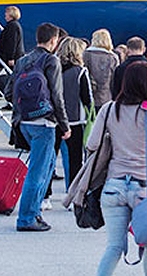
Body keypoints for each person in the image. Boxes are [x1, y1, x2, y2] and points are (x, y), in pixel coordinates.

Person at [89, 62, 147, 276]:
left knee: (114, 246)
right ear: (144, 83)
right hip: (145, 187)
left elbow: (92, 144)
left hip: (114, 186)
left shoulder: (109, 109)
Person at [5, 22, 71, 232]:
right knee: (38, 171)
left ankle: (35, 212)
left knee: (48, 165)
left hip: (24, 122)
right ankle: (26, 218)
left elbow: (8, 91)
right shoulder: (51, 60)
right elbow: (57, 96)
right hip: (44, 123)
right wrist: (64, 124)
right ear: (54, 40)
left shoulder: (23, 60)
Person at [56, 36, 93, 187]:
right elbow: (87, 98)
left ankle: (44, 197)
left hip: (53, 119)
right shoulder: (80, 71)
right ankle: (72, 192)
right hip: (75, 119)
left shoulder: (53, 68)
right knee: (75, 159)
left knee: (49, 160)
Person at [0, 5, 25, 95]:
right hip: (10, 55)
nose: (5, 14)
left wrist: (11, 58)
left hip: (11, 56)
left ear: (11, 14)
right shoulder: (13, 25)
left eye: (7, 12)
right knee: (8, 74)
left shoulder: (12, 26)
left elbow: (11, 43)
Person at [83, 29, 119, 108]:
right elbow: (114, 80)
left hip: (90, 97)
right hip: (107, 98)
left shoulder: (86, 55)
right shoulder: (113, 57)